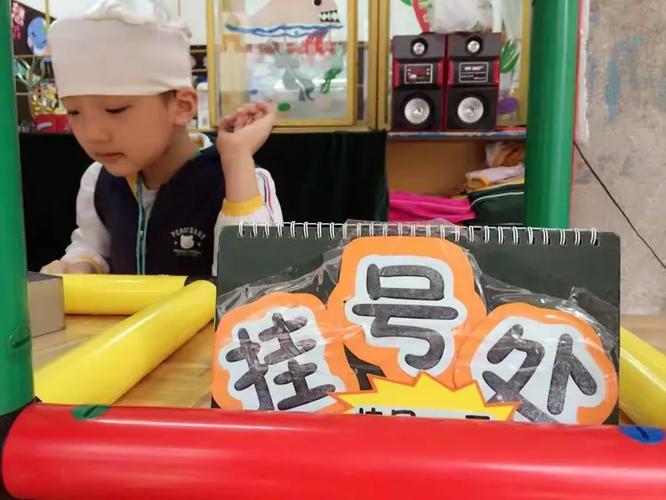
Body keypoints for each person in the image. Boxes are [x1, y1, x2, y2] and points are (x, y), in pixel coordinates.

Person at [40, 0, 282, 277]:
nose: (93, 134)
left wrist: (237, 156)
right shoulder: (99, 180)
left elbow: (253, 280)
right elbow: (93, 245)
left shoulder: (240, 180)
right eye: (74, 112)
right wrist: (80, 266)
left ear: (182, 105)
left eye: (115, 110)